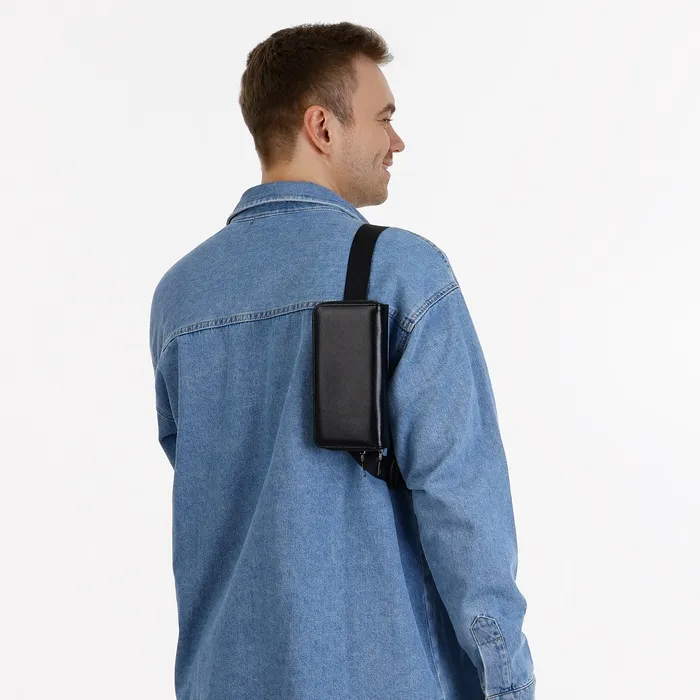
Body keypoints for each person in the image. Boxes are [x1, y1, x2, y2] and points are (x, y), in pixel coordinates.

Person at [149, 21, 536, 700]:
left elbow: (215, 495)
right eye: (383, 117)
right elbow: (463, 509)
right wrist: (507, 682)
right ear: (322, 127)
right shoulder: (402, 273)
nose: (397, 140)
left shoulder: (181, 295)